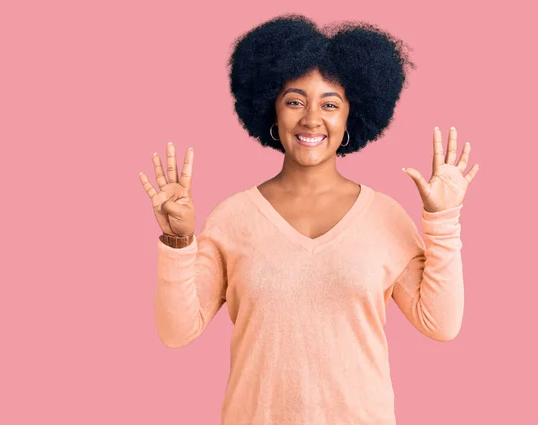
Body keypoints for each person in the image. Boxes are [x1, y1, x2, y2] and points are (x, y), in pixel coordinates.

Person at [139, 14, 479, 425]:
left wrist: (443, 219)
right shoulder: (232, 218)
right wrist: (179, 242)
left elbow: (441, 324)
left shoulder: (385, 217)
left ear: (352, 115)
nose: (312, 118)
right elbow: (176, 333)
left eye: (330, 104)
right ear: (272, 110)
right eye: (295, 100)